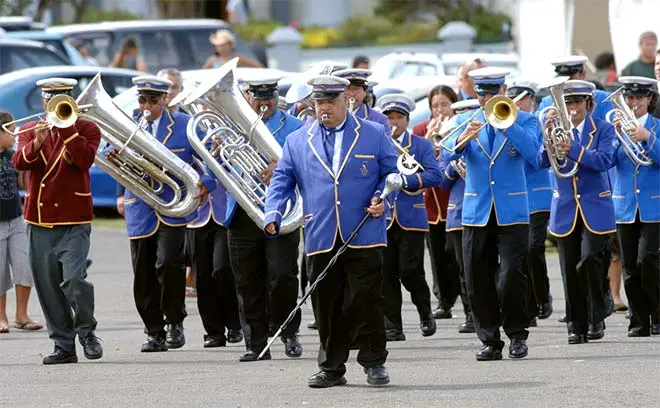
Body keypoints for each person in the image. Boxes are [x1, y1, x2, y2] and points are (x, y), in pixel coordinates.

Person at [264, 74, 398, 388]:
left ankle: (374, 362)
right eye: (319, 102)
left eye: (330, 102)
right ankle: (331, 367)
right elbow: (283, 179)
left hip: (365, 231)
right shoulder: (298, 140)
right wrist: (273, 211)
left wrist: (383, 198)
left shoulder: (374, 133)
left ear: (345, 101)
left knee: (366, 300)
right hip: (321, 233)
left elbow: (391, 174)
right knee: (326, 303)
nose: (325, 108)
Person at [109, 75, 214, 352]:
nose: (147, 106)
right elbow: (111, 154)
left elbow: (211, 154)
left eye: (153, 100)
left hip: (172, 205)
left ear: (164, 100)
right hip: (140, 208)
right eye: (142, 100)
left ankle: (175, 321)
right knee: (142, 272)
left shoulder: (182, 125)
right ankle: (153, 331)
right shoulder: (129, 124)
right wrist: (114, 161)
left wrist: (209, 182)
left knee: (168, 263)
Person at [443, 67, 539, 361]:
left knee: (512, 274)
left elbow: (534, 154)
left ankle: (517, 334)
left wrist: (507, 125)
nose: (487, 98)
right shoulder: (464, 120)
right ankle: (490, 339)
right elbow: (445, 154)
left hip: (512, 211)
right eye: (482, 93)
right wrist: (463, 140)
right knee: (478, 278)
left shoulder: (526, 120)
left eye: (492, 92)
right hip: (476, 211)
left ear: (504, 91)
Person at [11, 78, 103, 364]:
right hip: (40, 220)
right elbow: (18, 162)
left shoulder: (87, 128)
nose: (55, 104)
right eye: (50, 99)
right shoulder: (29, 129)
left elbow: (84, 160)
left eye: (61, 99)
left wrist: (68, 130)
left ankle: (87, 332)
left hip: (74, 219)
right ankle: (64, 345)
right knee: (48, 287)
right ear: (42, 101)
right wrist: (37, 143)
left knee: (75, 280)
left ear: (70, 100)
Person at [225, 76, 303, 362]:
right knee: (247, 280)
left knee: (283, 276)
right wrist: (219, 149)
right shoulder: (231, 126)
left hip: (281, 210)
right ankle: (255, 342)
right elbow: (217, 166)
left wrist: (281, 166)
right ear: (247, 97)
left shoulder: (294, 126)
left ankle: (288, 331)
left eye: (269, 96)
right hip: (243, 210)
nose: (264, 102)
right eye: (258, 97)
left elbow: (306, 163)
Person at [538, 80, 616, 344]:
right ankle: (575, 324)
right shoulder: (555, 129)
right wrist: (545, 136)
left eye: (577, 103)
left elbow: (605, 161)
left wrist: (575, 150)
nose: (572, 108)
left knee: (590, 260)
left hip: (596, 205)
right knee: (569, 268)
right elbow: (539, 161)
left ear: (588, 104)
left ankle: (596, 316)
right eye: (568, 103)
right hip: (566, 208)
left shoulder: (603, 129)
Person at [379, 94, 442, 341]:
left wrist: (407, 180)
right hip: (383, 216)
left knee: (410, 271)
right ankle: (393, 325)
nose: (394, 122)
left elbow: (435, 176)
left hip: (412, 216)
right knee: (387, 273)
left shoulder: (420, 145)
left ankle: (425, 312)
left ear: (407, 119)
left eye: (398, 117)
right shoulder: (379, 144)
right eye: (389, 118)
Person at [610, 76, 660, 337]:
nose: (633, 102)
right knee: (630, 266)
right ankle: (639, 321)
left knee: (648, 260)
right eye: (629, 98)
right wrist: (615, 136)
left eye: (639, 98)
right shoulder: (615, 129)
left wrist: (647, 137)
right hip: (625, 206)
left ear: (649, 99)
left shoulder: (657, 127)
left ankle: (658, 313)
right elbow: (607, 160)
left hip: (653, 206)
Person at [413, 85, 461, 319]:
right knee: (437, 255)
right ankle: (443, 300)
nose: (440, 110)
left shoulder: (461, 126)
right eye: (435, 106)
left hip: (452, 198)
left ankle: (463, 296)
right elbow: (412, 163)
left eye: (444, 104)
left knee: (455, 251)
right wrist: (427, 139)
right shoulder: (421, 129)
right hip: (431, 203)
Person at [508, 79, 554, 322]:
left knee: (534, 246)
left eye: (521, 100)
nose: (517, 104)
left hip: (537, 194)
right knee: (519, 252)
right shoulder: (504, 122)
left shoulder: (536, 123)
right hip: (514, 195)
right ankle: (528, 305)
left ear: (531, 101)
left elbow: (538, 159)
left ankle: (543, 296)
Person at [437, 99, 481, 334]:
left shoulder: (483, 138)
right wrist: (455, 164)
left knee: (486, 266)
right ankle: (470, 315)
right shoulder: (449, 144)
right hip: (458, 212)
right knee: (464, 269)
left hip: (482, 209)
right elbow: (442, 181)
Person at [187, 161, 243, 347]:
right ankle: (213, 331)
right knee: (202, 276)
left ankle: (234, 323)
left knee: (222, 268)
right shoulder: (184, 133)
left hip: (224, 209)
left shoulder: (224, 133)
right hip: (197, 212)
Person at [0, 111, 42, 334]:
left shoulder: (11, 155)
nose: (15, 136)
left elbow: (24, 183)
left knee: (23, 266)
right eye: (11, 131)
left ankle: (22, 315)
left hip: (16, 219)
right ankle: (1, 317)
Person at [536, 56, 614, 121]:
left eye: (570, 79)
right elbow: (537, 129)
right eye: (562, 80)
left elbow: (613, 131)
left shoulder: (603, 98)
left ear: (583, 74)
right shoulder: (548, 101)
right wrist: (546, 119)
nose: (566, 83)